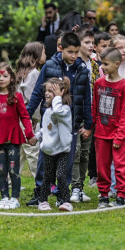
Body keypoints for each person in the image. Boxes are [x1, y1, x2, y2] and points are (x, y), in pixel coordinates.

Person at [26, 32, 92, 206]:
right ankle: (41, 192)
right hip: (49, 121)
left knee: (67, 161)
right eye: (70, 52)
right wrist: (26, 115)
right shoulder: (49, 66)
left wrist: (88, 123)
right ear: (61, 48)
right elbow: (36, 94)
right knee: (44, 159)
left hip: (70, 123)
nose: (74, 56)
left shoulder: (82, 70)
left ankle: (62, 194)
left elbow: (86, 99)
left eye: (77, 52)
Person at [0, 62, 36, 209]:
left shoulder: (17, 96)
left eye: (5, 76)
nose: (1, 79)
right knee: (1, 170)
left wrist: (29, 134)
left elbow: (25, 117)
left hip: (13, 139)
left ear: (11, 78)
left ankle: (15, 197)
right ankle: (4, 197)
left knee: (13, 170)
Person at [94, 47, 125, 208]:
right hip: (101, 134)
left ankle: (121, 194)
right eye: (102, 63)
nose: (102, 67)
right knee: (102, 167)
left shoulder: (124, 86)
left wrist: (120, 136)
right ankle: (103, 195)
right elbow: (94, 107)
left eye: (106, 64)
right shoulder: (98, 84)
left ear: (117, 64)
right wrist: (92, 128)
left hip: (118, 136)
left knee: (120, 166)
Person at [35, 78, 73, 211]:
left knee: (61, 176)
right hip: (49, 150)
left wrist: (58, 97)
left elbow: (58, 112)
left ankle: (66, 201)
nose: (47, 93)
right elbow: (45, 128)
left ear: (61, 93)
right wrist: (38, 136)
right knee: (48, 176)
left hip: (62, 149)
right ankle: (43, 201)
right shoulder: (47, 111)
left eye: (51, 91)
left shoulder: (65, 110)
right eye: (46, 90)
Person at [70, 28, 98, 202]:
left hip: (91, 113)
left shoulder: (95, 65)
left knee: (86, 152)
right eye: (87, 42)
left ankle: (81, 187)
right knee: (76, 151)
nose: (91, 46)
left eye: (92, 43)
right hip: (76, 114)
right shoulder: (74, 64)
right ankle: (74, 187)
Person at [15, 41, 46, 178]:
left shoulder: (22, 73)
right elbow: (32, 98)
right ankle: (40, 181)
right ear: (37, 55)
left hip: (20, 118)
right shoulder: (34, 74)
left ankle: (11, 179)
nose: (46, 54)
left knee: (21, 151)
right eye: (44, 52)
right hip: (27, 119)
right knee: (33, 151)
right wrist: (34, 118)